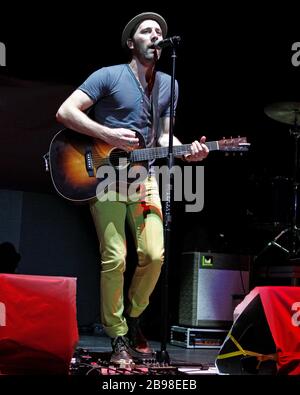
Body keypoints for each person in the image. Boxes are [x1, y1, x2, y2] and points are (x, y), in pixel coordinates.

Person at [56, 11, 209, 364]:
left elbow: (165, 135)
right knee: (115, 258)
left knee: (154, 255)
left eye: (159, 31)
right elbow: (66, 112)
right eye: (147, 31)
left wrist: (188, 151)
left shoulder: (170, 84)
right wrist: (107, 133)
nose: (155, 36)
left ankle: (134, 315)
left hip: (145, 178)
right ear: (131, 42)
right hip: (105, 176)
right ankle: (118, 335)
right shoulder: (108, 75)